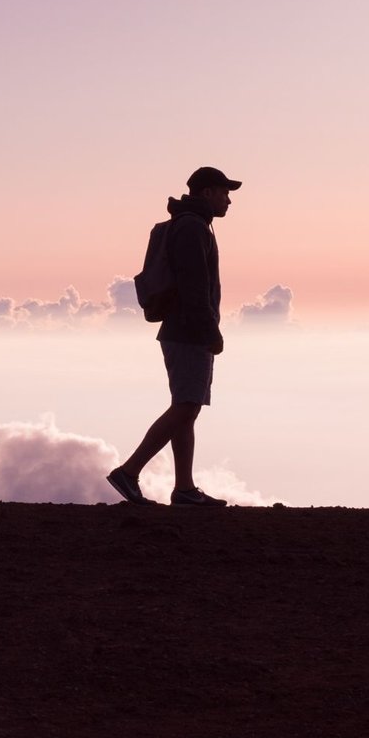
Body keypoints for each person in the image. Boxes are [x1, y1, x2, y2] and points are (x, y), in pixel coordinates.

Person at [107, 166, 241, 507]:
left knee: (186, 407)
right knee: (186, 405)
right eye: (224, 193)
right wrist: (212, 331)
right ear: (207, 193)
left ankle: (183, 489)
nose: (228, 200)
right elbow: (195, 286)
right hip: (188, 331)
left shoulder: (192, 225)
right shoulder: (194, 228)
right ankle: (129, 471)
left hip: (181, 329)